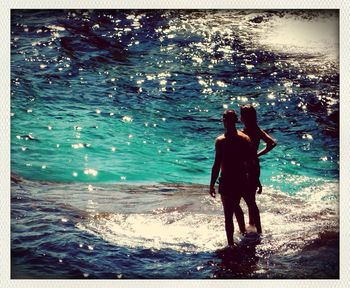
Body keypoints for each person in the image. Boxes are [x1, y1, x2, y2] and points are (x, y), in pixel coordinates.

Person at [209, 110, 261, 246]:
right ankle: (258, 234)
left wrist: (212, 184)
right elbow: (251, 162)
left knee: (228, 215)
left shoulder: (221, 141)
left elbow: (216, 164)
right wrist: (256, 179)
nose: (226, 122)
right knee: (249, 205)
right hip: (241, 178)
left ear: (224, 121)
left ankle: (231, 244)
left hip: (229, 180)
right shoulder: (244, 138)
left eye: (226, 119)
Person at [236, 104, 277, 227]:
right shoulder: (257, 130)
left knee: (239, 198)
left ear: (243, 117)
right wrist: (257, 155)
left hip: (244, 166)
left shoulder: (243, 133)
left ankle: (249, 226)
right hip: (254, 164)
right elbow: (272, 143)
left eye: (241, 115)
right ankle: (252, 224)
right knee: (251, 199)